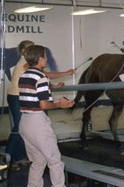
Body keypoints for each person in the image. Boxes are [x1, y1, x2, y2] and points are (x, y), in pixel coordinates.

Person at [18, 45, 76, 187]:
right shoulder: (41, 77)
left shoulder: (25, 75)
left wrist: (53, 88)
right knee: (55, 160)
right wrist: (60, 104)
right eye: (45, 56)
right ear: (40, 59)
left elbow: (36, 92)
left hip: (25, 121)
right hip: (38, 122)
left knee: (37, 161)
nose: (47, 59)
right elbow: (44, 104)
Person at [6, 40, 74, 171]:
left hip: (18, 96)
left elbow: (36, 81)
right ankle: (8, 158)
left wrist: (53, 86)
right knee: (18, 128)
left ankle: (18, 157)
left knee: (21, 128)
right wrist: (65, 73)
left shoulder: (26, 66)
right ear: (23, 51)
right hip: (16, 97)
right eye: (30, 48)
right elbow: (41, 76)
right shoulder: (25, 63)